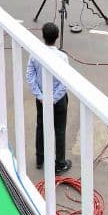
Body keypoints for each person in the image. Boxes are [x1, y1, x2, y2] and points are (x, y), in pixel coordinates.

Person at [26, 22, 71, 174]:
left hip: (41, 99)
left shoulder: (35, 54)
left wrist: (40, 96)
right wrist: (53, 98)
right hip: (58, 100)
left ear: (43, 36)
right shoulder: (62, 57)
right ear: (57, 37)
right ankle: (60, 163)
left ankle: (40, 158)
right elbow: (65, 82)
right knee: (59, 130)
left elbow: (30, 76)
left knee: (41, 126)